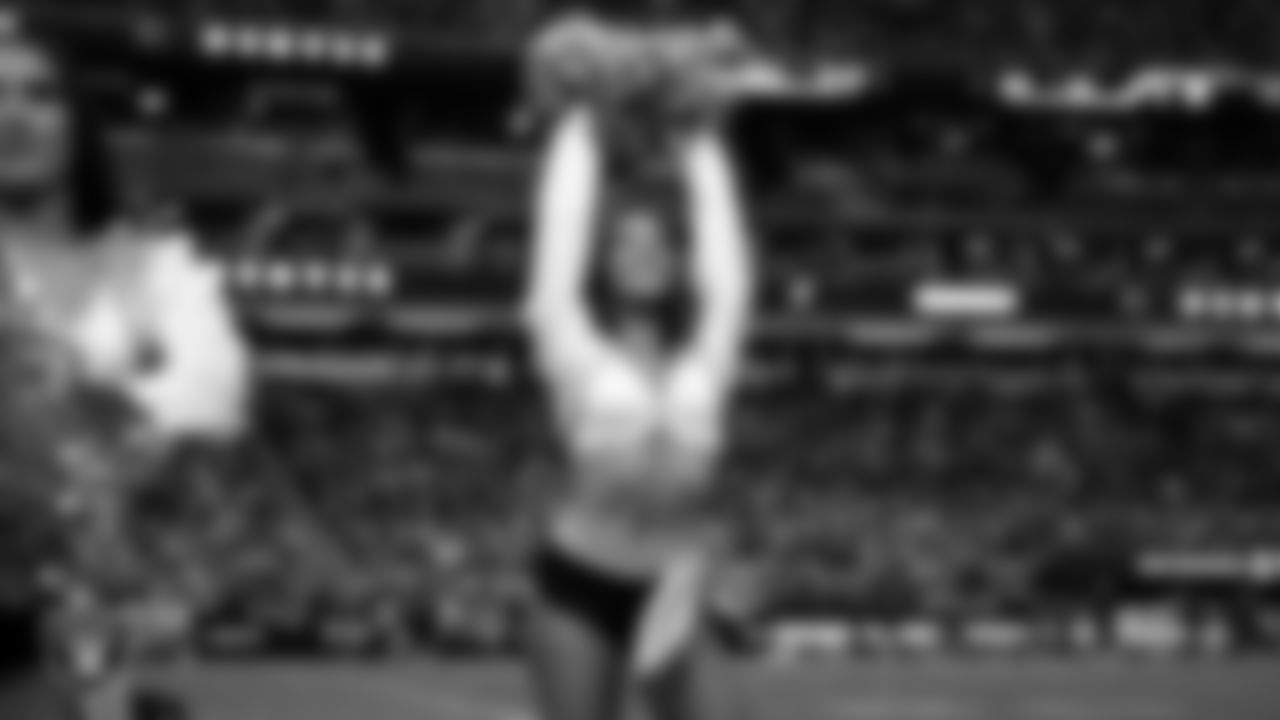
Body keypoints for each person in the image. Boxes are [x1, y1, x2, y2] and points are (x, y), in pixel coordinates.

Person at [0, 25, 249, 720]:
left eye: (40, 94)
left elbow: (208, 405)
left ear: (78, 119)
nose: (13, 114)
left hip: (72, 620)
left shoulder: (151, 270)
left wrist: (93, 422)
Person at [521, 20, 754, 720]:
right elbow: (560, 227)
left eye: (657, 242)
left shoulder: (706, 358)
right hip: (579, 582)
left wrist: (699, 129)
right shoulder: (570, 343)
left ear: (677, 259)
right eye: (624, 242)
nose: (641, 253)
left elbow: (729, 265)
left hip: (676, 584)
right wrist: (583, 117)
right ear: (604, 259)